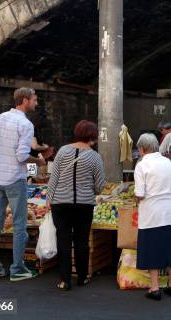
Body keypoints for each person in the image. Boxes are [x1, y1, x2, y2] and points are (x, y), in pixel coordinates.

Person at [0, 87, 46, 281]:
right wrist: (39, 161)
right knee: (19, 226)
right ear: (25, 100)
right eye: (35, 100)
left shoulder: (0, 118)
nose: (36, 103)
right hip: (13, 179)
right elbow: (21, 156)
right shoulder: (26, 124)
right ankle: (17, 269)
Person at [46, 120, 105, 290]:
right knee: (81, 240)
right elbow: (100, 185)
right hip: (84, 204)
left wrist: (49, 198)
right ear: (92, 136)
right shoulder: (95, 156)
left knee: (63, 240)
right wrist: (90, 188)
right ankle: (82, 277)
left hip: (60, 203)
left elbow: (54, 178)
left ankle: (65, 280)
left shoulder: (63, 151)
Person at [134, 134, 171, 300]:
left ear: (141, 149)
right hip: (169, 212)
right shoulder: (167, 162)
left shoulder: (141, 165)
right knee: (170, 247)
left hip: (151, 214)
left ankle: (154, 288)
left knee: (152, 249)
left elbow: (139, 194)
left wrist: (135, 198)